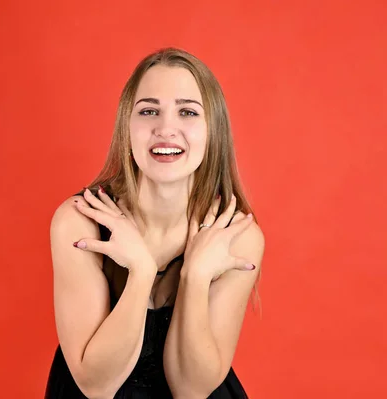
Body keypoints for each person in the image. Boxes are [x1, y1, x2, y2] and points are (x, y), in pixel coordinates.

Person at [45, 47, 265, 398]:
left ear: (213, 130)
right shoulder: (79, 223)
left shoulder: (236, 237)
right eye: (149, 111)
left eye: (188, 112)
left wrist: (195, 275)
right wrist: (142, 273)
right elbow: (96, 386)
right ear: (126, 126)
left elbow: (192, 390)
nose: (166, 129)